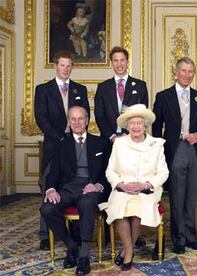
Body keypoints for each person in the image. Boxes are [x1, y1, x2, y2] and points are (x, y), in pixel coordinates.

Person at [152, 57, 197, 254]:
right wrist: (158, 152)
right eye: (183, 71)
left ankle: (191, 237)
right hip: (174, 149)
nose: (187, 75)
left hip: (193, 150)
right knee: (177, 196)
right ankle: (178, 239)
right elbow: (155, 128)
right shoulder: (163, 96)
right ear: (175, 72)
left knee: (192, 196)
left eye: (191, 72)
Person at [40, 106, 109, 275]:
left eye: (80, 119)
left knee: (87, 203)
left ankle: (84, 256)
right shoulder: (61, 144)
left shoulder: (101, 142)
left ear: (87, 121)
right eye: (73, 119)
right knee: (47, 208)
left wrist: (97, 186)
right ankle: (71, 246)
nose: (77, 122)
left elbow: (108, 172)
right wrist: (50, 190)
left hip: (90, 187)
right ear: (69, 122)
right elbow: (52, 172)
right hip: (68, 188)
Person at [99, 104, 169, 271]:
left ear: (145, 125)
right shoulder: (119, 144)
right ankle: (129, 250)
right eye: (132, 123)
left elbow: (163, 172)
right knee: (120, 211)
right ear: (127, 126)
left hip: (147, 189)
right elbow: (110, 171)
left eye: (139, 123)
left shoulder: (156, 144)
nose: (136, 126)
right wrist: (121, 184)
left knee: (137, 211)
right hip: (124, 187)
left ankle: (126, 251)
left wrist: (147, 184)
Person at [35, 50, 90, 250]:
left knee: (74, 183)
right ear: (55, 66)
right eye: (62, 65)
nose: (65, 69)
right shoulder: (43, 90)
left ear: (72, 67)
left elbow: (85, 115)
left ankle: (75, 229)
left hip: (75, 143)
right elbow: (41, 118)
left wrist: (75, 137)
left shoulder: (80, 89)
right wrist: (60, 138)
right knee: (49, 187)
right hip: (54, 145)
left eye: (69, 66)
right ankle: (45, 234)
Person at [94, 46, 149, 143]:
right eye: (116, 60)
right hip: (109, 141)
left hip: (133, 139)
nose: (119, 64)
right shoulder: (102, 87)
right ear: (112, 63)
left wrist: (127, 134)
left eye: (122, 60)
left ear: (127, 61)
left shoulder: (140, 86)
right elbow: (99, 115)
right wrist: (112, 136)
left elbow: (142, 114)